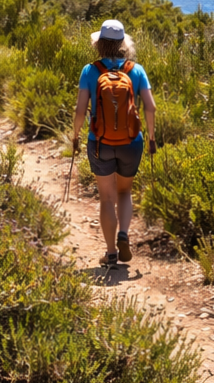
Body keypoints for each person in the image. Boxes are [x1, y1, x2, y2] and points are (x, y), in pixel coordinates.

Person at [71, 19, 157, 268]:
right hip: (131, 142)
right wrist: (151, 138)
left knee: (107, 198)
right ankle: (124, 234)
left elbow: (80, 110)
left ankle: (110, 253)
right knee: (124, 192)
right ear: (122, 44)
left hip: (100, 143)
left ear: (99, 44)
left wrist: (75, 136)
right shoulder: (136, 70)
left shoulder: (90, 71)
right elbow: (150, 107)